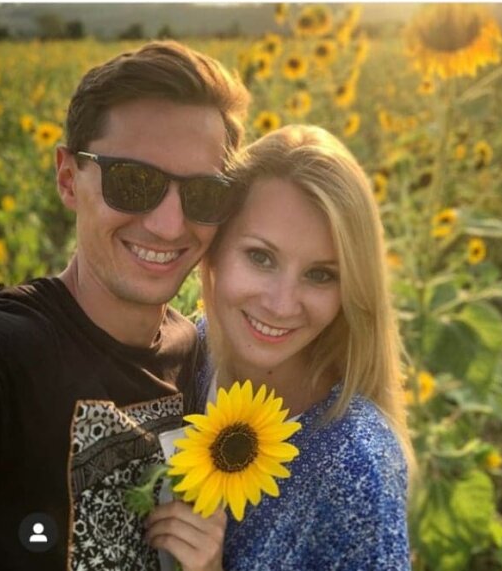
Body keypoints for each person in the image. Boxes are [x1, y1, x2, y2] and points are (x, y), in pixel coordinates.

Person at [0, 41, 250, 571]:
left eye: (204, 193)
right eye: (133, 182)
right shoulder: (14, 353)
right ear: (68, 178)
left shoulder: (197, 358)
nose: (169, 225)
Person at [146, 125, 414, 570]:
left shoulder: (354, 467)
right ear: (214, 247)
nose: (281, 304)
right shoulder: (185, 355)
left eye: (320, 274)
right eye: (261, 257)